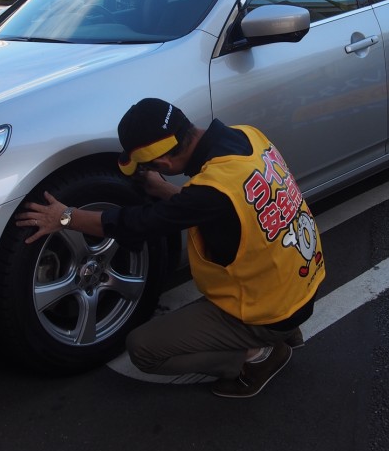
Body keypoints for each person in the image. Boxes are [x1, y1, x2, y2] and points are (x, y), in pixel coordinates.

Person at [16, 98, 325, 397]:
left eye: (148, 166)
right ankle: (282, 330)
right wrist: (161, 187)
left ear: (163, 163)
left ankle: (260, 355)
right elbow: (211, 205)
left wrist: (66, 217)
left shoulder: (210, 193)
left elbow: (136, 223)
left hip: (268, 311)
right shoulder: (248, 135)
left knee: (144, 350)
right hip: (301, 284)